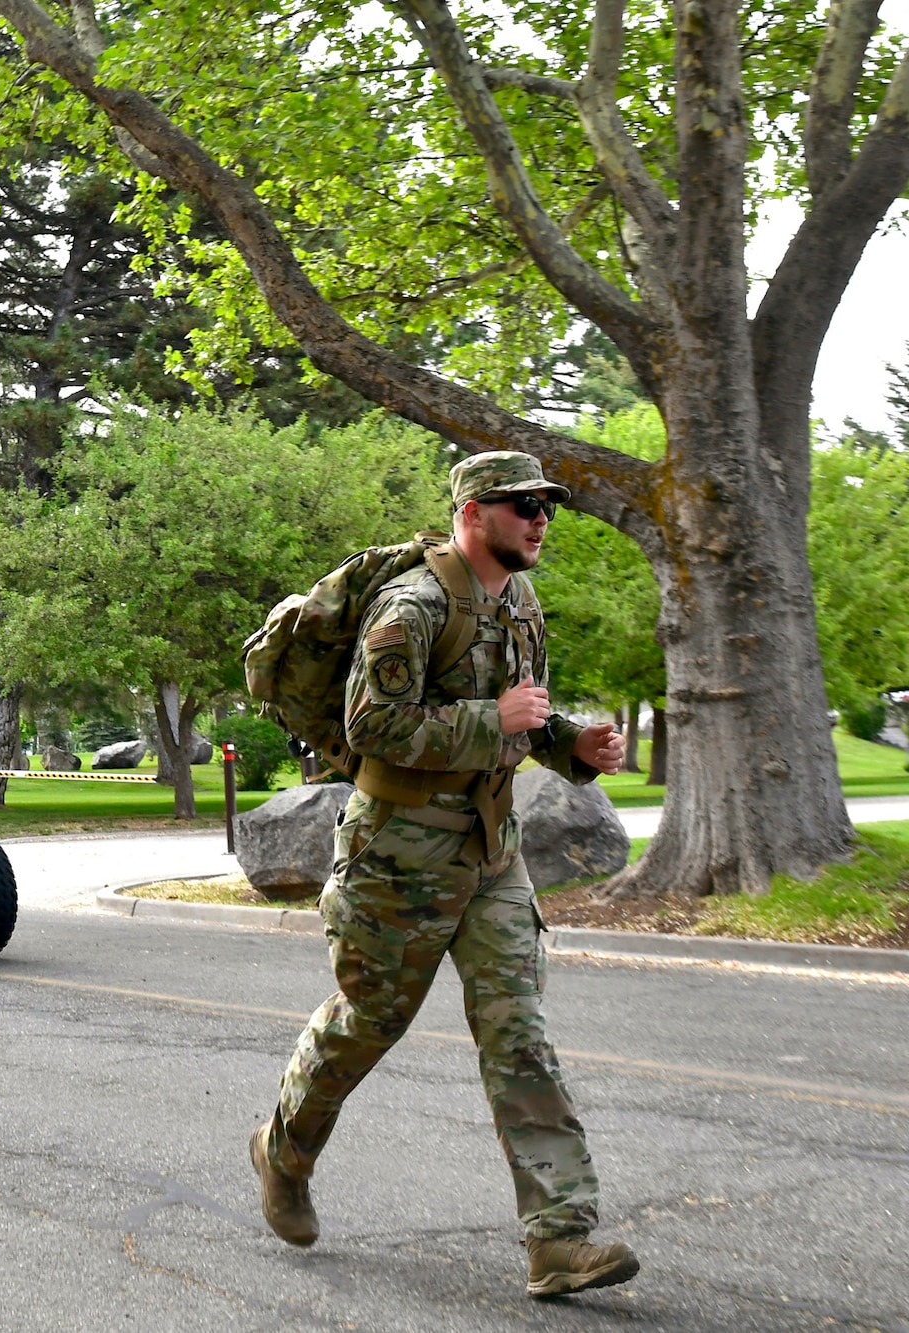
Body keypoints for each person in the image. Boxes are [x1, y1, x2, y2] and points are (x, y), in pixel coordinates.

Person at [248, 451, 637, 1298]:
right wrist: (486, 721)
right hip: (397, 857)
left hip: (492, 852)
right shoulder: (412, 604)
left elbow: (521, 712)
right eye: (523, 504)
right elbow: (371, 724)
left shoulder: (521, 600)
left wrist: (567, 742)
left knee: (519, 1034)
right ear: (473, 512)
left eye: (549, 506)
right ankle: (283, 1150)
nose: (541, 519)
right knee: (366, 1024)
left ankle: (560, 1236)